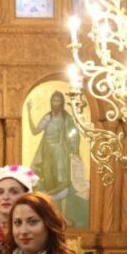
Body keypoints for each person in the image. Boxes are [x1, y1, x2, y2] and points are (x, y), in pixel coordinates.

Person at [27, 92, 87, 223]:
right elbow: (35, 131)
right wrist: (28, 112)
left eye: (58, 100)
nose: (55, 103)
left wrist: (75, 152)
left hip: (61, 151)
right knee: (49, 182)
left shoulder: (66, 118)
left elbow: (74, 135)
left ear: (62, 102)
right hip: (47, 151)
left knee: (62, 182)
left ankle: (62, 216)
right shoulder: (48, 117)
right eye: (53, 100)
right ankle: (51, 216)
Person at [0, 165, 39, 231]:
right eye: (0, 192)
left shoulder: (36, 228)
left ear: (27, 196)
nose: (5, 197)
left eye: (14, 192)